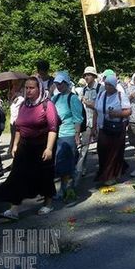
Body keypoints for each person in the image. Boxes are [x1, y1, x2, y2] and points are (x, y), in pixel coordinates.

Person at [0, 77, 59, 219]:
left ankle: (48, 203)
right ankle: (14, 209)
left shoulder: (47, 105)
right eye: (26, 88)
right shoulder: (24, 105)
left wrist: (49, 149)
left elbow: (53, 128)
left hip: (42, 145)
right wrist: (15, 145)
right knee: (18, 175)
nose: (28, 90)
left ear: (39, 89)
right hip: (25, 146)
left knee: (45, 174)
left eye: (32, 88)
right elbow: (19, 127)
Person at [91, 75, 131, 186]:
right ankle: (104, 172)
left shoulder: (120, 96)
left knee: (114, 152)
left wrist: (117, 114)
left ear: (114, 86)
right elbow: (96, 111)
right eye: (106, 84)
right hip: (103, 127)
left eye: (110, 85)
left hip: (117, 127)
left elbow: (128, 111)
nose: (107, 87)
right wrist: (94, 126)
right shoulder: (101, 94)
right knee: (102, 150)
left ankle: (111, 175)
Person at [51, 72, 83, 201]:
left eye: (61, 83)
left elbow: (77, 118)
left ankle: (64, 189)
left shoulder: (73, 98)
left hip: (68, 134)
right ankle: (69, 182)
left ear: (67, 83)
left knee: (64, 163)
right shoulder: (56, 98)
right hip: (56, 134)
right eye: (57, 84)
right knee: (58, 163)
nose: (58, 86)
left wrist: (77, 135)